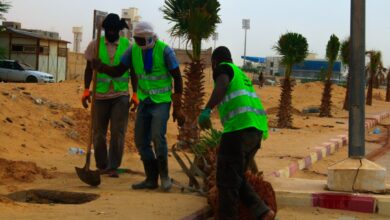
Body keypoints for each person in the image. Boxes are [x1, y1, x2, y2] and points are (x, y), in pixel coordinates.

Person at [92, 21, 185, 191]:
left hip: (161, 101)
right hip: (145, 100)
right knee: (141, 141)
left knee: (158, 137)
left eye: (142, 41)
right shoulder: (133, 50)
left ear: (150, 37)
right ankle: (151, 178)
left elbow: (178, 78)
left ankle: (164, 177)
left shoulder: (165, 51)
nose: (139, 44)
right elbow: (119, 70)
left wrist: (178, 107)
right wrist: (102, 67)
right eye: (137, 40)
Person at [198, 46, 275, 220]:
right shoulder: (240, 74)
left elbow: (222, 84)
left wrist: (207, 109)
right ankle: (262, 211)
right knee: (236, 177)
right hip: (256, 131)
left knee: (226, 182)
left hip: (238, 129)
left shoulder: (223, 69)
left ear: (215, 61)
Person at [82, 13, 132, 178]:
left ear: (119, 30)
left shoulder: (128, 45)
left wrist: (136, 94)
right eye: (108, 29)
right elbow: (89, 69)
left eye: (114, 30)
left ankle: (113, 166)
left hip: (120, 94)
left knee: (118, 132)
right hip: (100, 95)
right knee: (98, 133)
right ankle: (101, 165)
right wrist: (86, 89)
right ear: (104, 29)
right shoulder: (94, 45)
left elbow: (134, 72)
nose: (111, 32)